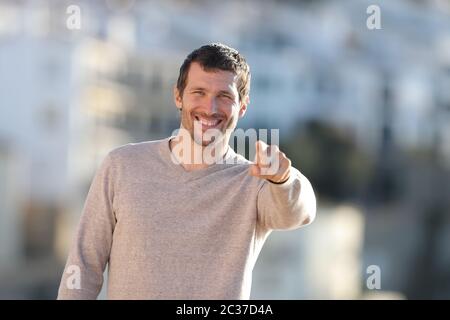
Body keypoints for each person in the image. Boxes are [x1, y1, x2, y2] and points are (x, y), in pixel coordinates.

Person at [57, 43, 316, 299]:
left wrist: (283, 178)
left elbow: (300, 213)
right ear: (178, 96)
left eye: (224, 97)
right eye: (199, 92)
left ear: (243, 106)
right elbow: (83, 264)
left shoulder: (255, 184)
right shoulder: (122, 165)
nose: (210, 108)